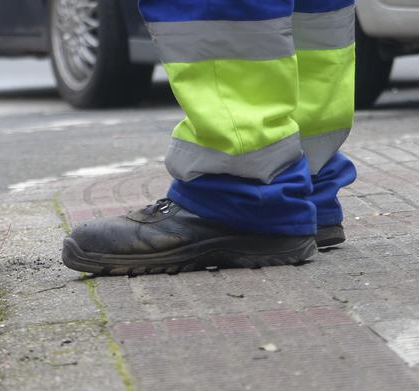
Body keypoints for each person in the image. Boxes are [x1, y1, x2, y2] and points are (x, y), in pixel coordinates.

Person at [62, 0, 357, 275]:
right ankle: (305, 181)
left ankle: (240, 190)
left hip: (247, 196)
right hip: (305, 188)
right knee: (312, 11)